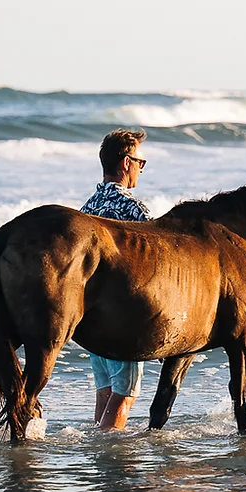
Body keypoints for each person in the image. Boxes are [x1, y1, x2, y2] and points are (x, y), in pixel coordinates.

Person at [82, 128, 152, 430]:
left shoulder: (85, 210)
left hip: (90, 318)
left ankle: (98, 445)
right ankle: (109, 456)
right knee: (124, 395)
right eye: (140, 162)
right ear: (126, 162)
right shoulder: (133, 210)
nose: (140, 168)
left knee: (106, 390)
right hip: (122, 319)